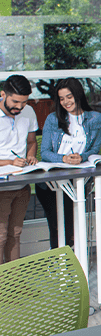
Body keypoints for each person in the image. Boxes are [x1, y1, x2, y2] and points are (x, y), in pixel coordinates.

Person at [38, 77, 101, 247]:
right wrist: (63, 158)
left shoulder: (95, 119)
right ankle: (59, 260)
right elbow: (44, 152)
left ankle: (71, 259)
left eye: (69, 96)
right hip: (52, 181)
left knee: (72, 228)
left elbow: (94, 150)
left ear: (78, 94)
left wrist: (82, 157)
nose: (66, 102)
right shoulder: (53, 119)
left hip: (77, 180)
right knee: (57, 227)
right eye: (61, 99)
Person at [0, 74, 38, 263]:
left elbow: (31, 142)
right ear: (3, 94)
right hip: (1, 187)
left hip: (22, 185)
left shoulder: (28, 111)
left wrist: (31, 155)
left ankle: (13, 278)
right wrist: (9, 162)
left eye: (24, 102)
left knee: (15, 233)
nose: (19, 107)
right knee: (0, 236)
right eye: (15, 102)